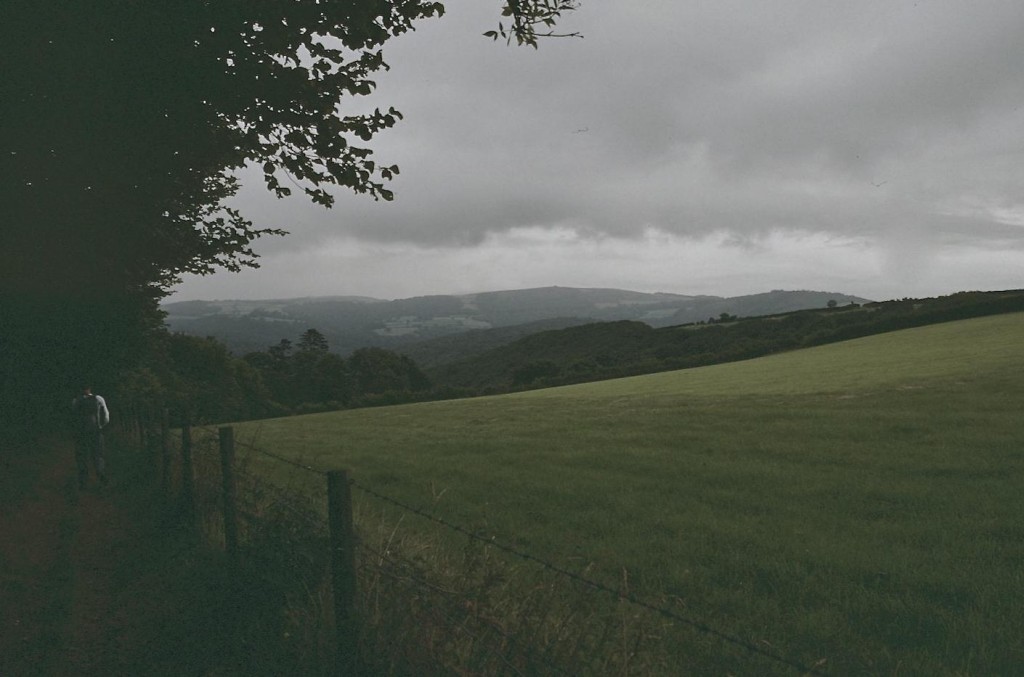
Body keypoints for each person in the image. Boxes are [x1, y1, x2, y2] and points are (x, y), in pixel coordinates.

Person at [72, 385, 110, 488]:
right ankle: (101, 475)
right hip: (96, 431)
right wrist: (101, 426)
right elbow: (106, 416)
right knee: (98, 455)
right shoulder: (98, 398)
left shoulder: (76, 400)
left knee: (82, 457)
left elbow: (74, 417)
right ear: (90, 388)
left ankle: (83, 482)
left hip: (81, 433)